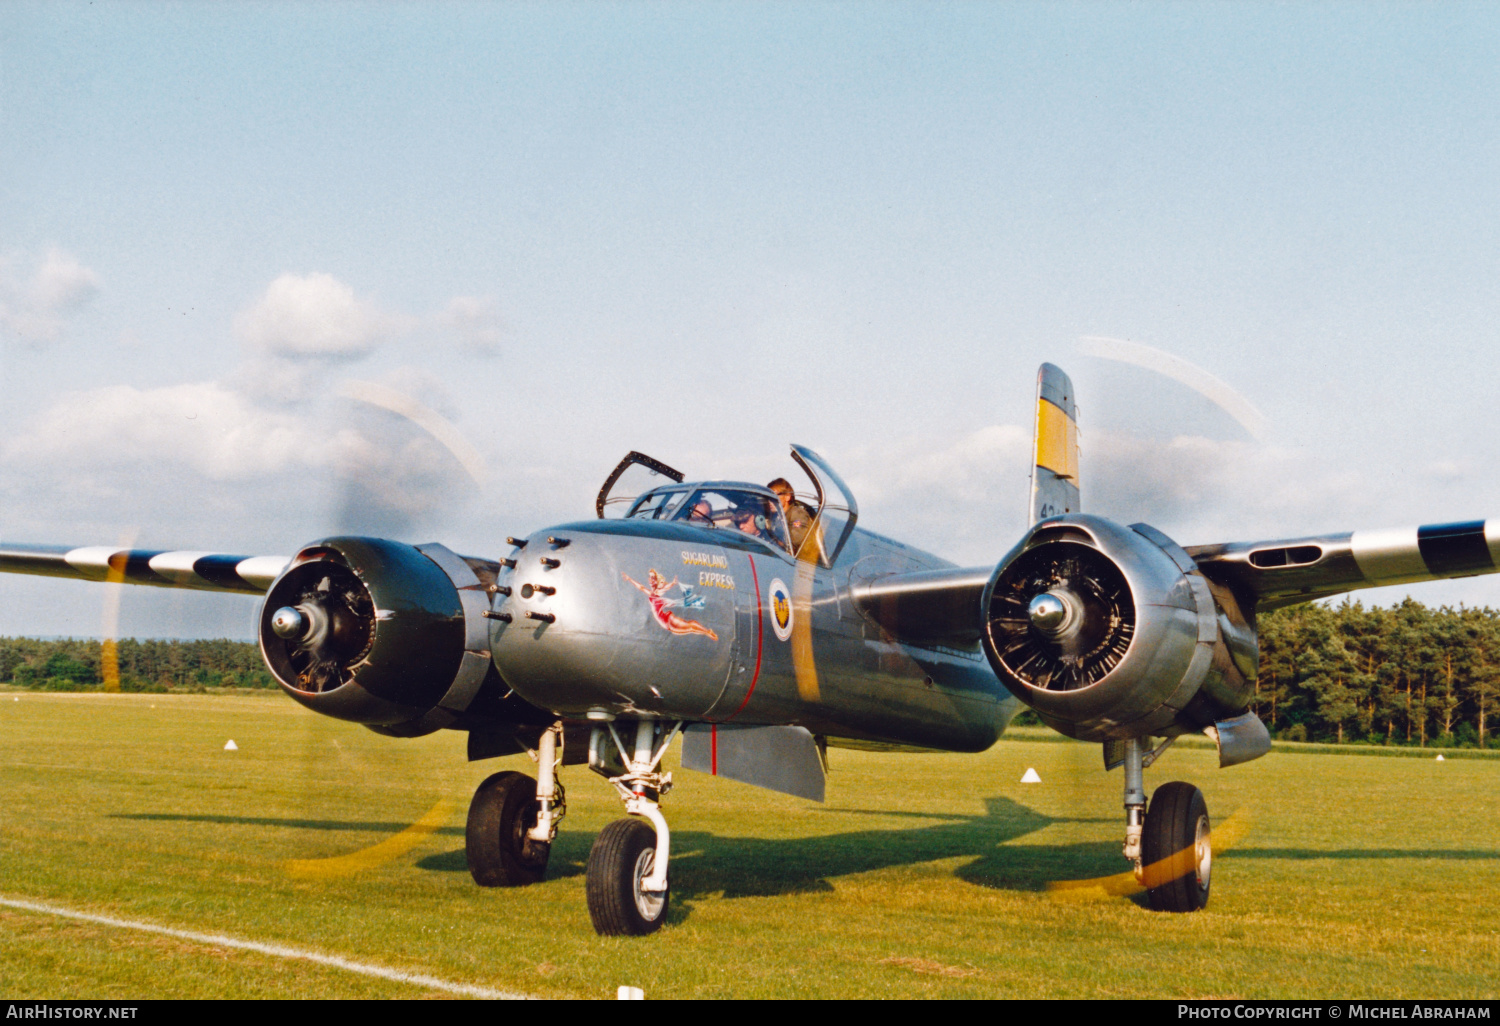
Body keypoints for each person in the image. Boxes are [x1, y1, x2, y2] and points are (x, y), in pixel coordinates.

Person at [767, 478, 816, 555]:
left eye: (773, 496)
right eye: (768, 497)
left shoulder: (797, 514)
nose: (769, 501)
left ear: (787, 497)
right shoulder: (776, 517)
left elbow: (794, 543)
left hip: (803, 563)